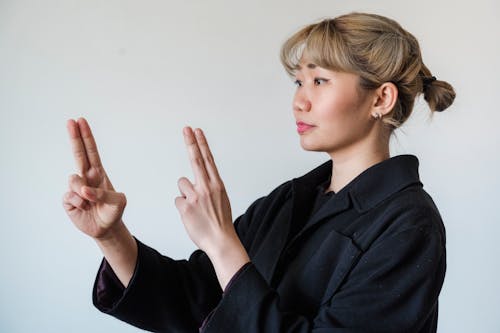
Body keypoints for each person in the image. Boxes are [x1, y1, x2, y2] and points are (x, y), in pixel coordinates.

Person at [63, 12, 455, 333]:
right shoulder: (290, 200)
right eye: (299, 82)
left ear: (381, 98)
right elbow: (195, 301)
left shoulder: (409, 226)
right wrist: (111, 235)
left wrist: (222, 244)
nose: (299, 101)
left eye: (320, 80)